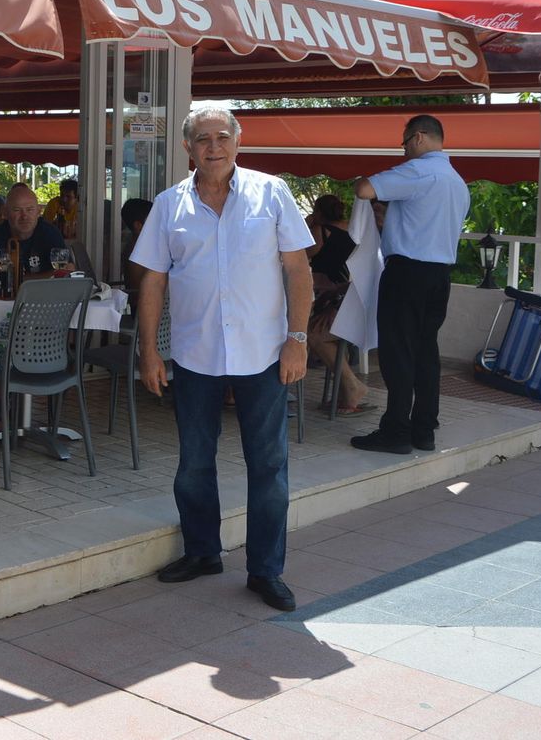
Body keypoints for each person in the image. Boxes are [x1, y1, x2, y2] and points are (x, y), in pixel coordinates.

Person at [131, 106, 312, 613]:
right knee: (193, 463)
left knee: (269, 465)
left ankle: (266, 570)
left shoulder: (272, 194)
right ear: (188, 148)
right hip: (195, 353)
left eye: (222, 136)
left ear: (238, 140)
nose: (214, 146)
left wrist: (297, 338)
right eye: (203, 139)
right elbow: (153, 280)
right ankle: (203, 552)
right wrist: (150, 351)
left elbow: (298, 271)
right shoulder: (169, 205)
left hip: (264, 353)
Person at [350, 115, 470, 455]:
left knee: (398, 353)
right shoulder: (456, 182)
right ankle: (424, 429)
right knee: (425, 354)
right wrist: (393, 224)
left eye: (404, 142)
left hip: (407, 274)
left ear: (418, 137)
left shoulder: (419, 171)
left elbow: (365, 189)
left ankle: (396, 431)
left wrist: (361, 178)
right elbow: (424, 224)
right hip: (438, 275)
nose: (403, 150)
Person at [306, 195, 370, 417]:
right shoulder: (352, 231)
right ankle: (347, 387)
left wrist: (309, 225)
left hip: (327, 290)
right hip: (343, 288)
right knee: (319, 333)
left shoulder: (321, 230)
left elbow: (303, 253)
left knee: (311, 333)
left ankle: (351, 386)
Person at [119, 198, 152, 292]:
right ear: (138, 225)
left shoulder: (140, 248)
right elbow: (139, 292)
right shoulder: (138, 253)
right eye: (154, 220)